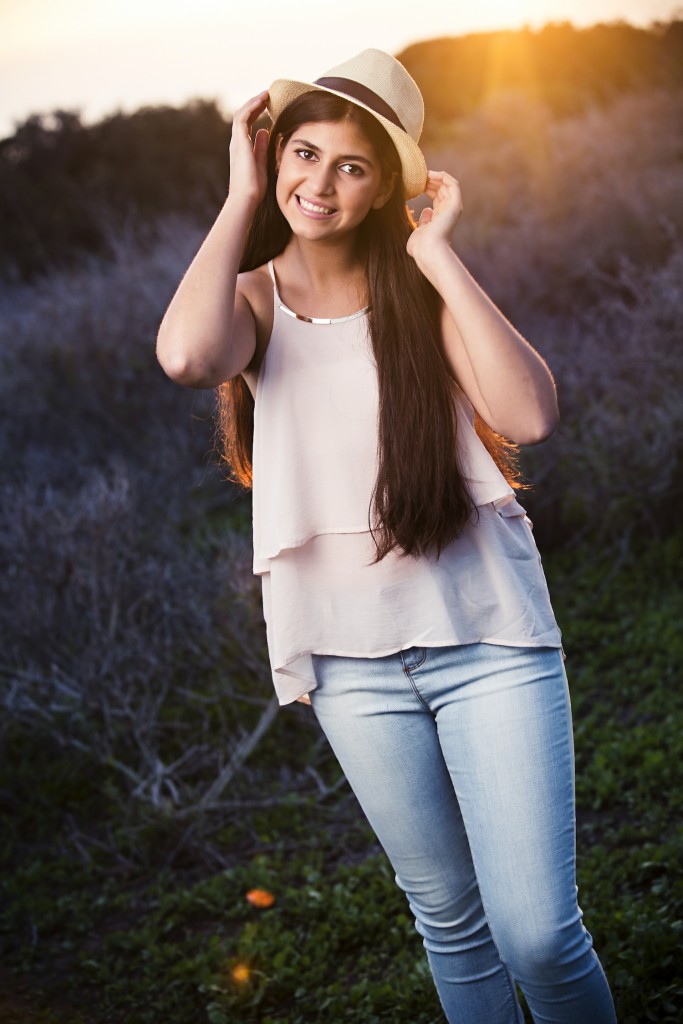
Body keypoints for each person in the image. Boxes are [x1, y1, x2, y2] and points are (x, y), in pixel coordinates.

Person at [157, 48, 617, 1024]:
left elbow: (528, 416)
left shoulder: (417, 293)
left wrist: (436, 250)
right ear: (275, 153)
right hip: (349, 662)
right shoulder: (250, 303)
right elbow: (187, 353)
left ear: (383, 188)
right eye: (302, 152)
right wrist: (241, 194)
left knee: (536, 930)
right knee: (448, 921)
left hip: (488, 639)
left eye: (351, 166)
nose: (317, 182)